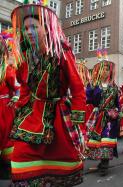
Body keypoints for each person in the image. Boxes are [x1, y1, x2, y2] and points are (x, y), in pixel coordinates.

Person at [10, 2, 86, 186]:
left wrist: (78, 123)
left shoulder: (62, 53)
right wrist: (19, 106)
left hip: (58, 116)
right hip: (32, 116)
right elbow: (26, 89)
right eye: (26, 28)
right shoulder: (26, 57)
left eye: (34, 27)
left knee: (61, 163)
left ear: (47, 29)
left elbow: (78, 89)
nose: (28, 32)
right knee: (20, 158)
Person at [85, 58, 119, 176]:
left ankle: (105, 165)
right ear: (99, 71)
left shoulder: (114, 87)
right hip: (98, 116)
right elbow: (87, 99)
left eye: (107, 69)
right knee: (98, 140)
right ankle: (102, 161)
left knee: (106, 140)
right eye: (103, 69)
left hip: (110, 118)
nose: (105, 71)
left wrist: (115, 112)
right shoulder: (93, 85)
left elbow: (117, 103)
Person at [0, 34, 19, 180]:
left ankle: (6, 167)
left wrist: (16, 96)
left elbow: (17, 88)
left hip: (4, 109)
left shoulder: (7, 69)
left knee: (6, 136)